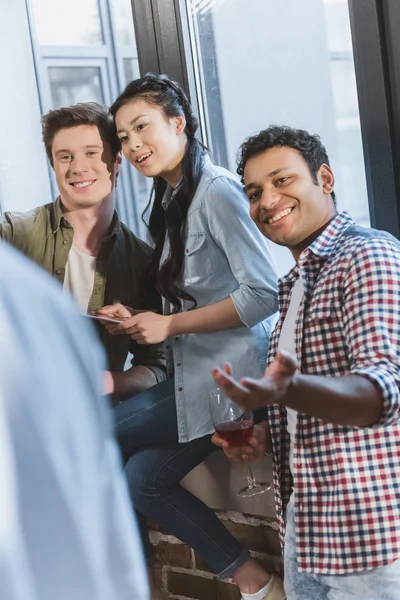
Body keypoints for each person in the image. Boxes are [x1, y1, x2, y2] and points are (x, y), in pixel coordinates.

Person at [96, 74, 282, 600]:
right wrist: (135, 316)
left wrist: (170, 325)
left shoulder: (218, 189)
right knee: (141, 479)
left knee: (93, 437)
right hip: (191, 377)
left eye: (141, 128)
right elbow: (191, 296)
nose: (132, 145)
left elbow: (262, 295)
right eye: (124, 137)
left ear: (178, 123)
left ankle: (129, 583)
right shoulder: (170, 194)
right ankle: (260, 586)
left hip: (228, 382)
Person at [212, 125, 400, 600]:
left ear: (326, 179)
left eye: (282, 180)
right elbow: (308, 411)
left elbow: (383, 392)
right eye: (254, 192)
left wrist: (285, 391)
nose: (267, 200)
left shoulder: (368, 255)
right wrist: (263, 433)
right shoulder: (294, 283)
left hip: (374, 541)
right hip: (308, 528)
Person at [0, 240, 149, 600]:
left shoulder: (28, 299)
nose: (77, 178)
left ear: (115, 178)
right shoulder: (23, 234)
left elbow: (158, 368)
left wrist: (105, 382)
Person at [0, 102, 165, 400]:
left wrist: (104, 382)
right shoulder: (12, 233)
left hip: (93, 417)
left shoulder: (144, 262)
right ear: (53, 165)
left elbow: (157, 367)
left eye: (91, 152)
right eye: (65, 157)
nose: (78, 168)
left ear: (116, 161)